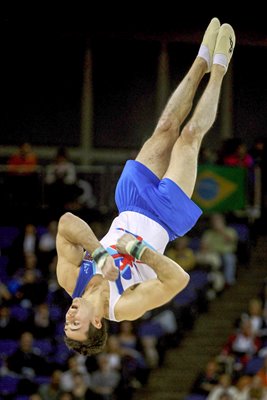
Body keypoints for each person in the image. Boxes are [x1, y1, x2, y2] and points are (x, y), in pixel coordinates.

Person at [56, 17, 236, 356]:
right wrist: (138, 252)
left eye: (67, 321)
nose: (70, 315)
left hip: (130, 201)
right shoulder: (125, 307)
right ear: (97, 323)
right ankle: (220, 67)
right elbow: (179, 280)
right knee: (188, 138)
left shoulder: (71, 281)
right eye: (75, 323)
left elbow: (66, 223)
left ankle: (200, 59)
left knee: (166, 126)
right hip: (165, 218)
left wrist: (98, 253)